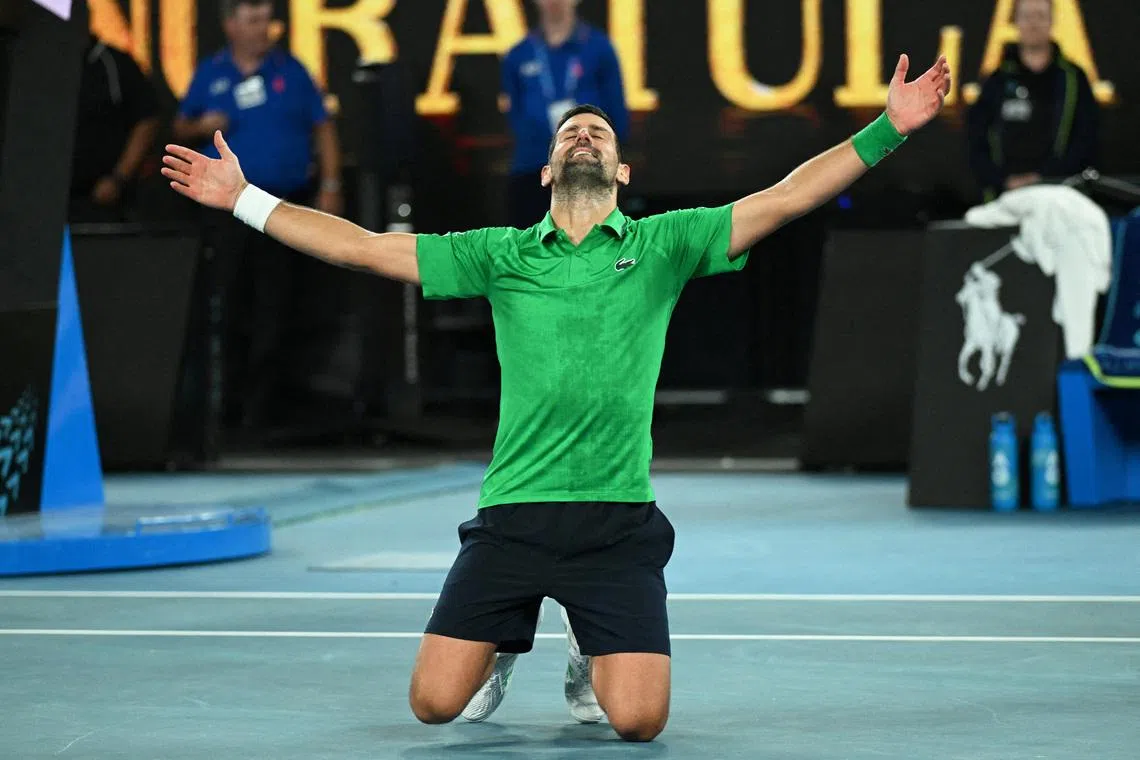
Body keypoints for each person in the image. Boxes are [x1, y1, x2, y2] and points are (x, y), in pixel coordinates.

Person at [161, 52, 951, 743]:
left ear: (623, 172)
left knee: (639, 722)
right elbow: (363, 249)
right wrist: (243, 199)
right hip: (513, 519)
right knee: (434, 705)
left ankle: (583, 635)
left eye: (598, 133)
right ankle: (505, 645)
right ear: (544, 171)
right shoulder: (499, 255)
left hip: (617, 525)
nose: (583, 136)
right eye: (569, 132)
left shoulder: (664, 246)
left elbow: (785, 197)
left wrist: (889, 129)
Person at [172, 0, 343, 431]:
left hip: (282, 204)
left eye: (267, 20)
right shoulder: (212, 73)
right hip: (225, 212)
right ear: (230, 25)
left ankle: (263, 411)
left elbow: (323, 127)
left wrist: (331, 183)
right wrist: (202, 125)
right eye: (253, 20)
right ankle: (221, 411)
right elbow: (179, 128)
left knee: (279, 304)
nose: (263, 29)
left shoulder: (292, 71)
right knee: (227, 303)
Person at [501, 0, 629, 228]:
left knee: (594, 249)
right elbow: (515, 115)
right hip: (533, 168)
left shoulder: (599, 48)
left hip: (589, 169)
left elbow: (617, 113)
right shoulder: (518, 55)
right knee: (529, 249)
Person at [966, 0, 1099, 202]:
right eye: (1027, 16)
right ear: (1015, 21)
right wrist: (1002, 181)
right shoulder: (997, 80)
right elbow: (975, 140)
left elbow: (1087, 139)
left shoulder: (1074, 79)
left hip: (1061, 198)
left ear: (1052, 20)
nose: (1033, 23)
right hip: (1004, 200)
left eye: (1040, 16)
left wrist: (1044, 178)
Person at [69, 33, 160, 223]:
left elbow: (147, 119)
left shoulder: (113, 62)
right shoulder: (35, 63)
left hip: (101, 198)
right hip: (45, 195)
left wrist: (118, 178)